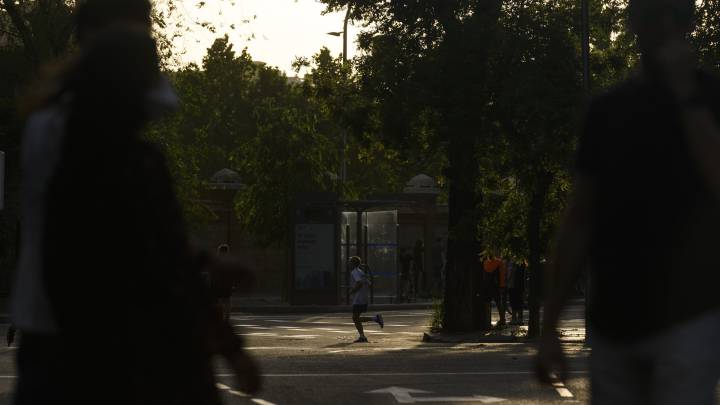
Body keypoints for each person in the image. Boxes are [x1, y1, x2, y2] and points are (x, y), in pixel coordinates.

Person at [14, 24, 259, 405]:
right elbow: (164, 257)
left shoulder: (49, 139)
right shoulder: (133, 165)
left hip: (52, 345)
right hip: (118, 356)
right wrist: (230, 347)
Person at [536, 0, 720, 403]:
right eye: (648, 18)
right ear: (636, 24)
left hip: (687, 319)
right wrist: (549, 324)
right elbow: (579, 220)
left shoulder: (709, 98)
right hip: (617, 320)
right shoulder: (608, 111)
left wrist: (686, 96)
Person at [349, 256, 384, 343]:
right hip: (363, 297)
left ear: (353, 263)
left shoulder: (355, 272)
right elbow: (369, 283)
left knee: (355, 318)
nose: (348, 264)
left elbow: (359, 283)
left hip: (359, 298)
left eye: (350, 262)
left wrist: (352, 291)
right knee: (355, 318)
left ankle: (375, 319)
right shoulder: (361, 272)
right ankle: (363, 335)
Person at [482, 252, 507, 329]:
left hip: (487, 285)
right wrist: (502, 286)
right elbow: (502, 275)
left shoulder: (485, 263)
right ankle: (502, 320)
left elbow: (484, 275)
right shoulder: (499, 263)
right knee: (498, 303)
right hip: (496, 286)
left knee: (487, 303)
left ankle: (487, 322)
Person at [211, 244, 234, 322]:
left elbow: (213, 273)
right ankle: (227, 316)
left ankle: (220, 315)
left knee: (219, 300)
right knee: (227, 300)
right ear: (227, 251)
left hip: (218, 283)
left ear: (219, 251)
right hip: (227, 283)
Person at [507, 259, 526, 325]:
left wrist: (507, 281)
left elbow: (509, 274)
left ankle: (515, 318)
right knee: (518, 302)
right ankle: (518, 319)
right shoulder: (521, 262)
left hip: (514, 285)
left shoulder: (513, 262)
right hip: (517, 285)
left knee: (515, 302)